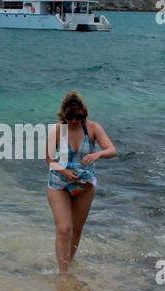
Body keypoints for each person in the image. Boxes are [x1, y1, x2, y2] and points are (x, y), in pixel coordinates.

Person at [45, 91, 116, 274]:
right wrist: (65, 172)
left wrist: (97, 154)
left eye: (78, 118)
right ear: (64, 116)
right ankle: (63, 274)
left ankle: (68, 262)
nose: (75, 122)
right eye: (71, 118)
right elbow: (49, 160)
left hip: (85, 185)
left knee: (76, 229)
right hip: (59, 184)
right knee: (64, 229)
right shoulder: (56, 130)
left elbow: (112, 150)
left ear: (84, 114)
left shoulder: (92, 128)